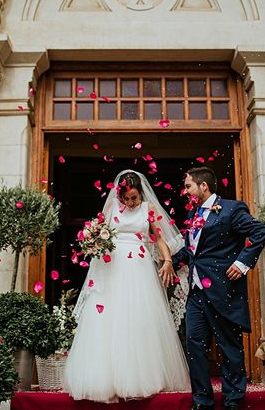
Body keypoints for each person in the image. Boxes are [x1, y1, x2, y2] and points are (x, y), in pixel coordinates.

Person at [63, 170, 190, 402]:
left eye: (134, 198)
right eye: (126, 198)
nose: (131, 203)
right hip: (112, 265)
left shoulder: (148, 209)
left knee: (137, 318)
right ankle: (104, 379)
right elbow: (99, 235)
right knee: (109, 318)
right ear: (119, 196)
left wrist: (168, 260)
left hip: (138, 265)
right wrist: (93, 241)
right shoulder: (111, 206)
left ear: (140, 194)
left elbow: (159, 238)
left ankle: (139, 378)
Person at [173, 167, 265, 410]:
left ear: (203, 186)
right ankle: (202, 401)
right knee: (194, 344)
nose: (185, 192)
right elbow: (194, 251)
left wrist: (242, 263)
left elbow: (260, 232)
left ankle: (233, 400)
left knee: (229, 346)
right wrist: (166, 263)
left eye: (188, 186)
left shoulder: (231, 209)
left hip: (223, 289)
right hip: (196, 292)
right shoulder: (194, 214)